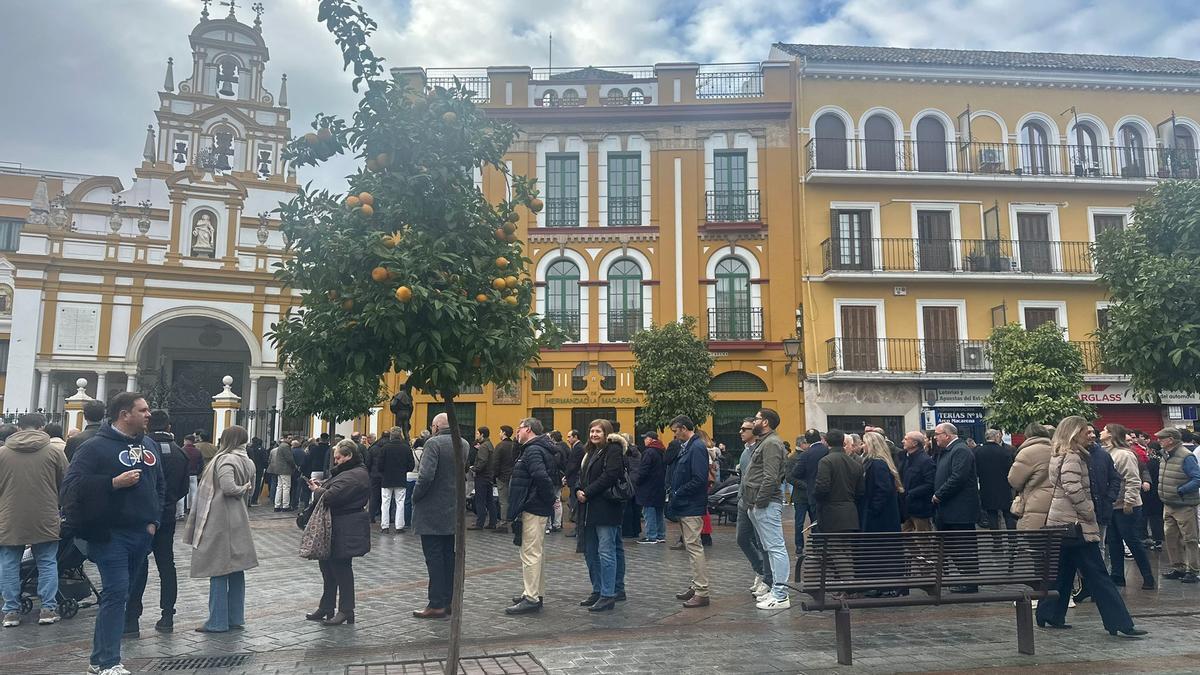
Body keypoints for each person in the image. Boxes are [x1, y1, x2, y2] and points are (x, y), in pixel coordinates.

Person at [61, 393, 164, 675]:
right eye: (143, 410)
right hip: (110, 534)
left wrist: (153, 521)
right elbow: (71, 487)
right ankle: (109, 662)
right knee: (116, 593)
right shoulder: (94, 447)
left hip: (141, 533)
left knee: (121, 595)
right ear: (124, 414)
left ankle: (98, 660)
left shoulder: (149, 445)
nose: (149, 414)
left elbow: (159, 485)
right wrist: (112, 483)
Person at [1035, 416, 1146, 637]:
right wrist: (1088, 511)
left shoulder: (1059, 453)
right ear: (1074, 433)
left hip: (1060, 522)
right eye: (1085, 432)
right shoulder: (1072, 455)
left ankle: (1049, 614)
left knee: (1063, 571)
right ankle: (1120, 622)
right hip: (1076, 522)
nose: (1090, 435)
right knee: (1099, 574)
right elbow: (1072, 487)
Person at [182, 425, 257, 633]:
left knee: (218, 568)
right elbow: (249, 490)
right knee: (236, 569)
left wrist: (242, 488)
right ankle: (235, 617)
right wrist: (246, 488)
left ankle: (217, 621)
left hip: (220, 517)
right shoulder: (248, 461)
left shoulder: (225, 459)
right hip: (239, 516)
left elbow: (229, 488)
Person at [0, 413, 68, 628]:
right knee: (47, 561)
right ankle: (48, 608)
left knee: (9, 563)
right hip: (45, 515)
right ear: (42, 427)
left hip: (10, 515)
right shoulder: (54, 452)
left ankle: (11, 611)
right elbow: (66, 483)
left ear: (19, 428)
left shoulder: (2, 453)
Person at [125, 410, 189, 635]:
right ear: (169, 427)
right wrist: (168, 502)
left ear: (148, 425)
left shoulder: (140, 449)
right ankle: (167, 615)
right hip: (167, 515)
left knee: (139, 564)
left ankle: (132, 618)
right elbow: (184, 488)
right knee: (167, 564)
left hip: (142, 515)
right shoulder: (180, 452)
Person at [305, 440, 371, 625]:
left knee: (341, 569)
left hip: (345, 527)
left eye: (338, 457)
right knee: (327, 568)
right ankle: (326, 606)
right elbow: (334, 488)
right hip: (336, 526)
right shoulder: (348, 472)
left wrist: (318, 490)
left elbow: (331, 496)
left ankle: (346, 610)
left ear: (349, 456)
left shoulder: (355, 474)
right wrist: (322, 486)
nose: (336, 461)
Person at [412, 413, 470, 619]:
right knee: (448, 557)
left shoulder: (433, 444)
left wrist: (415, 496)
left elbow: (426, 476)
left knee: (434, 558)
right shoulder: (463, 443)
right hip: (452, 507)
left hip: (432, 509)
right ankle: (450, 601)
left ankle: (436, 603)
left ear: (436, 427)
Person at [504, 418, 558, 615]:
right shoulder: (535, 448)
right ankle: (534, 592)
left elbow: (541, 477)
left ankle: (531, 598)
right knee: (536, 552)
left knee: (530, 553)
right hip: (536, 506)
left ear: (528, 429)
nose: (517, 433)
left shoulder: (533, 450)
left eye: (519, 429)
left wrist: (547, 499)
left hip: (533, 507)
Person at [576, 419, 627, 612]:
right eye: (591, 431)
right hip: (588, 510)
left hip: (606, 509)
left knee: (606, 552)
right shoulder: (590, 451)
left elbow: (610, 476)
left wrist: (587, 492)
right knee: (590, 552)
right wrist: (578, 489)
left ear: (607, 433)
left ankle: (608, 594)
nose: (594, 435)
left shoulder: (613, 450)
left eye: (598, 431)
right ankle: (598, 589)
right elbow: (582, 476)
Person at [743, 408, 791, 609]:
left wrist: (759, 502)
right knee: (770, 548)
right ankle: (776, 590)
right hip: (759, 503)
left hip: (766, 503)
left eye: (757, 418)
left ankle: (781, 594)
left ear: (765, 422)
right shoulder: (766, 442)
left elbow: (770, 477)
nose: (753, 421)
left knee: (775, 548)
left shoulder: (771, 443)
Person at [1102, 424, 1154, 590]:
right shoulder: (1107, 452)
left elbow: (1132, 479)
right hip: (1113, 505)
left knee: (1132, 541)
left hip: (1126, 505)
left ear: (1112, 434)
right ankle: (1117, 575)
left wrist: (1129, 501)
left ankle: (1148, 577)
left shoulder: (1124, 454)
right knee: (1114, 541)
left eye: (1105, 429)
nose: (1101, 432)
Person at [667, 415, 712, 608]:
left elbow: (699, 478)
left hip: (691, 504)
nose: (675, 435)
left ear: (684, 428)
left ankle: (702, 591)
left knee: (694, 547)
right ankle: (696, 585)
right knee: (691, 546)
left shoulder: (697, 447)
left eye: (675, 431)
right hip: (686, 504)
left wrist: (679, 492)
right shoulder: (688, 447)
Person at [932, 423, 980, 593]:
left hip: (960, 510)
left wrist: (939, 494)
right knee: (954, 547)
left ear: (947, 435)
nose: (935, 437)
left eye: (937, 434)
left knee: (964, 547)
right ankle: (965, 579)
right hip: (949, 510)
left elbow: (958, 477)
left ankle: (970, 582)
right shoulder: (947, 451)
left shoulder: (960, 450)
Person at [1156, 427, 1200, 583]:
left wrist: (1181, 491)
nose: (1159, 441)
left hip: (1184, 504)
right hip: (1168, 503)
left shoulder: (1186, 456)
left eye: (1161, 438)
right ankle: (1178, 567)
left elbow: (1197, 478)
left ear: (1171, 440)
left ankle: (1193, 570)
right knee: (1171, 537)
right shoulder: (1165, 455)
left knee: (1189, 538)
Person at [733, 420, 771, 597]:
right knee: (742, 538)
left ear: (754, 431)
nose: (740, 432)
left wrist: (759, 499)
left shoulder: (761, 449)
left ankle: (767, 578)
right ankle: (760, 569)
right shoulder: (745, 451)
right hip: (744, 500)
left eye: (744, 429)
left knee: (762, 541)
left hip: (756, 500)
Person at [1008, 423, 1054, 530]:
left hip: (1033, 503)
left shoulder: (1026, 453)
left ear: (1027, 435)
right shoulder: (1056, 449)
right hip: (1055, 504)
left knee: (1033, 536)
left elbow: (1014, 480)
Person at [793, 429, 830, 545]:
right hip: (829, 492)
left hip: (813, 492)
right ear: (819, 438)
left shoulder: (806, 454)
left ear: (807, 440)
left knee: (815, 521)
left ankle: (817, 546)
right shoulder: (828, 451)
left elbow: (796, 473)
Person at [377, 427, 415, 534]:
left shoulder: (384, 448)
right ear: (400, 435)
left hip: (387, 479)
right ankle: (399, 526)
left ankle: (385, 526)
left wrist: (384, 472)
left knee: (385, 502)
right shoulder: (406, 448)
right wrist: (404, 470)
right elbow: (411, 465)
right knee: (400, 502)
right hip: (400, 478)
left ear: (391, 436)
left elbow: (379, 465)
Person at [976, 429, 1016, 529]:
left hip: (987, 488)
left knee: (992, 515)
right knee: (1008, 514)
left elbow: (976, 470)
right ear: (996, 437)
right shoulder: (1005, 451)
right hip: (1004, 487)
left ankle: (996, 537)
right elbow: (1010, 469)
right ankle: (1012, 537)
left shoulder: (978, 451)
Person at [898, 431, 935, 532]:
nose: (903, 441)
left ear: (915, 443)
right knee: (905, 536)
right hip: (907, 507)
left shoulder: (925, 461)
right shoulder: (906, 459)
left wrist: (911, 493)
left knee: (923, 538)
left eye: (906, 439)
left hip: (920, 508)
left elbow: (930, 484)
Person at [635, 431, 667, 544]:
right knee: (659, 511)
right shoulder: (662, 451)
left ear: (651, 439)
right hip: (660, 485)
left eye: (646, 438)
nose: (644, 440)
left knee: (648, 511)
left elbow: (644, 469)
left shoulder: (649, 452)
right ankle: (660, 535)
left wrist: (637, 481)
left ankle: (651, 536)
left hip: (648, 486)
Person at [469, 426, 497, 530]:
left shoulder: (484, 446)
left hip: (482, 476)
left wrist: (475, 469)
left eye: (477, 433)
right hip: (488, 476)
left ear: (482, 435)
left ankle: (479, 523)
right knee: (490, 500)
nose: (476, 435)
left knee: (480, 500)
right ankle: (492, 522)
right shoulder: (489, 444)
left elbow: (482, 461)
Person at [492, 425, 516, 534]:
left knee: (503, 501)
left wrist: (495, 475)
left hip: (502, 477)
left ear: (504, 433)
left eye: (500, 432)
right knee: (513, 500)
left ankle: (503, 524)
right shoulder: (514, 445)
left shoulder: (500, 446)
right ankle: (514, 522)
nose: (499, 434)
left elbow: (495, 463)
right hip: (514, 476)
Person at [268, 435, 297, 512]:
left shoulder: (281, 446)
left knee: (279, 487)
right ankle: (285, 506)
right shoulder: (286, 446)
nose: (291, 440)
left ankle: (277, 505)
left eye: (291, 438)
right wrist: (294, 466)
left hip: (279, 470)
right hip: (285, 470)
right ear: (285, 438)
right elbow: (289, 459)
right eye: (289, 438)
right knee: (286, 487)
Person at [182, 434, 203, 514]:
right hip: (194, 474)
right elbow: (201, 464)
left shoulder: (182, 450)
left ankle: (184, 510)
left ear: (187, 441)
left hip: (185, 474)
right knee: (194, 491)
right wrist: (197, 472)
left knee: (185, 491)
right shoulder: (198, 451)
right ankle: (193, 508)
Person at [247, 437, 268, 506]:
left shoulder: (249, 449)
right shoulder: (262, 449)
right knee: (257, 484)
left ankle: (248, 499)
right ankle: (254, 500)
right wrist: (265, 467)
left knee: (248, 482)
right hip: (259, 469)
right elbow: (265, 460)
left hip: (249, 467)